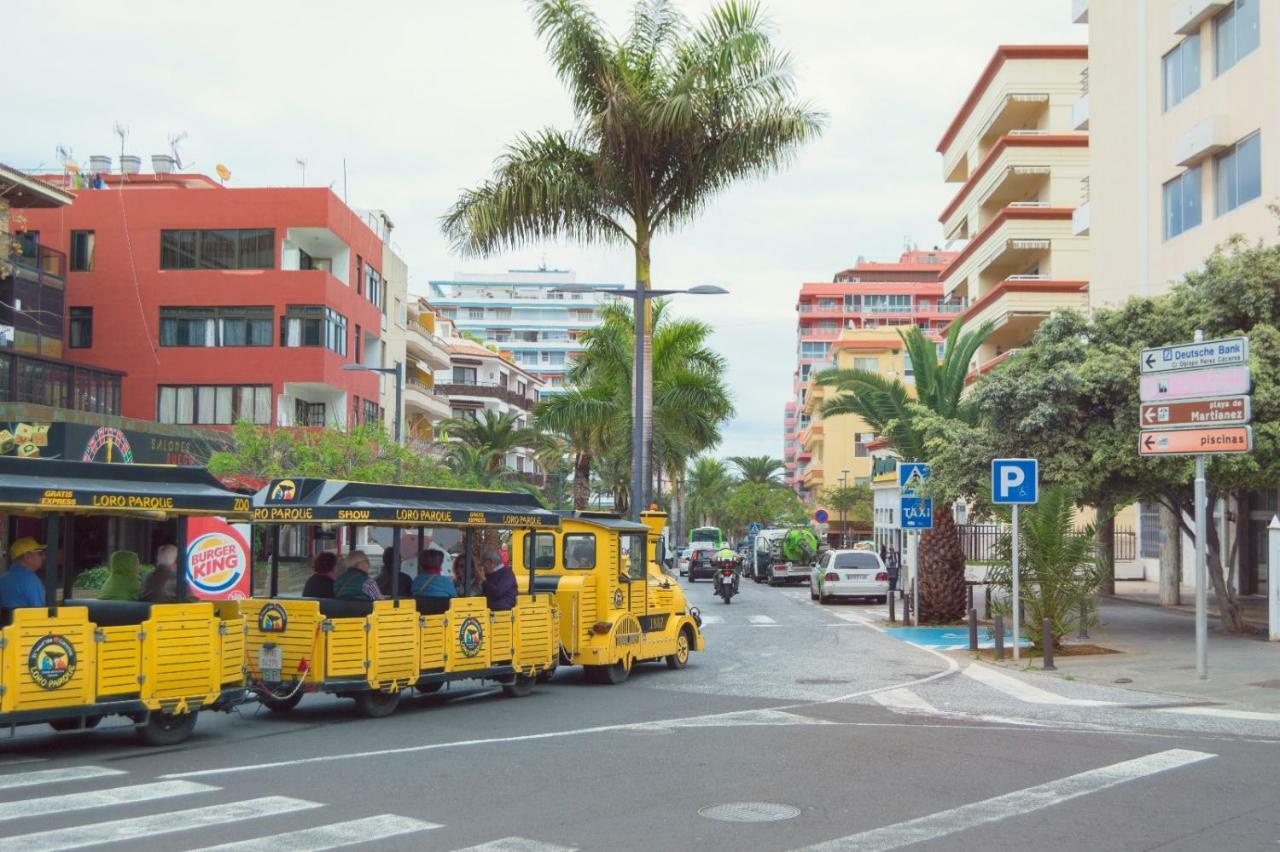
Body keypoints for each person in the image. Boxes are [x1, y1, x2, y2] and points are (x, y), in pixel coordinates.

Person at [0, 537, 47, 609]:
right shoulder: (31, 580)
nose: (43, 557)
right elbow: (39, 614)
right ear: (27, 557)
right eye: (40, 553)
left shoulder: (3, 579)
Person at [477, 546, 517, 611]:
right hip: (490, 610)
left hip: (503, 611)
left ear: (489, 562)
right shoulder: (489, 574)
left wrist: (483, 580)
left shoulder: (507, 573)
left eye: (482, 564)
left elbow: (497, 592)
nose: (482, 567)